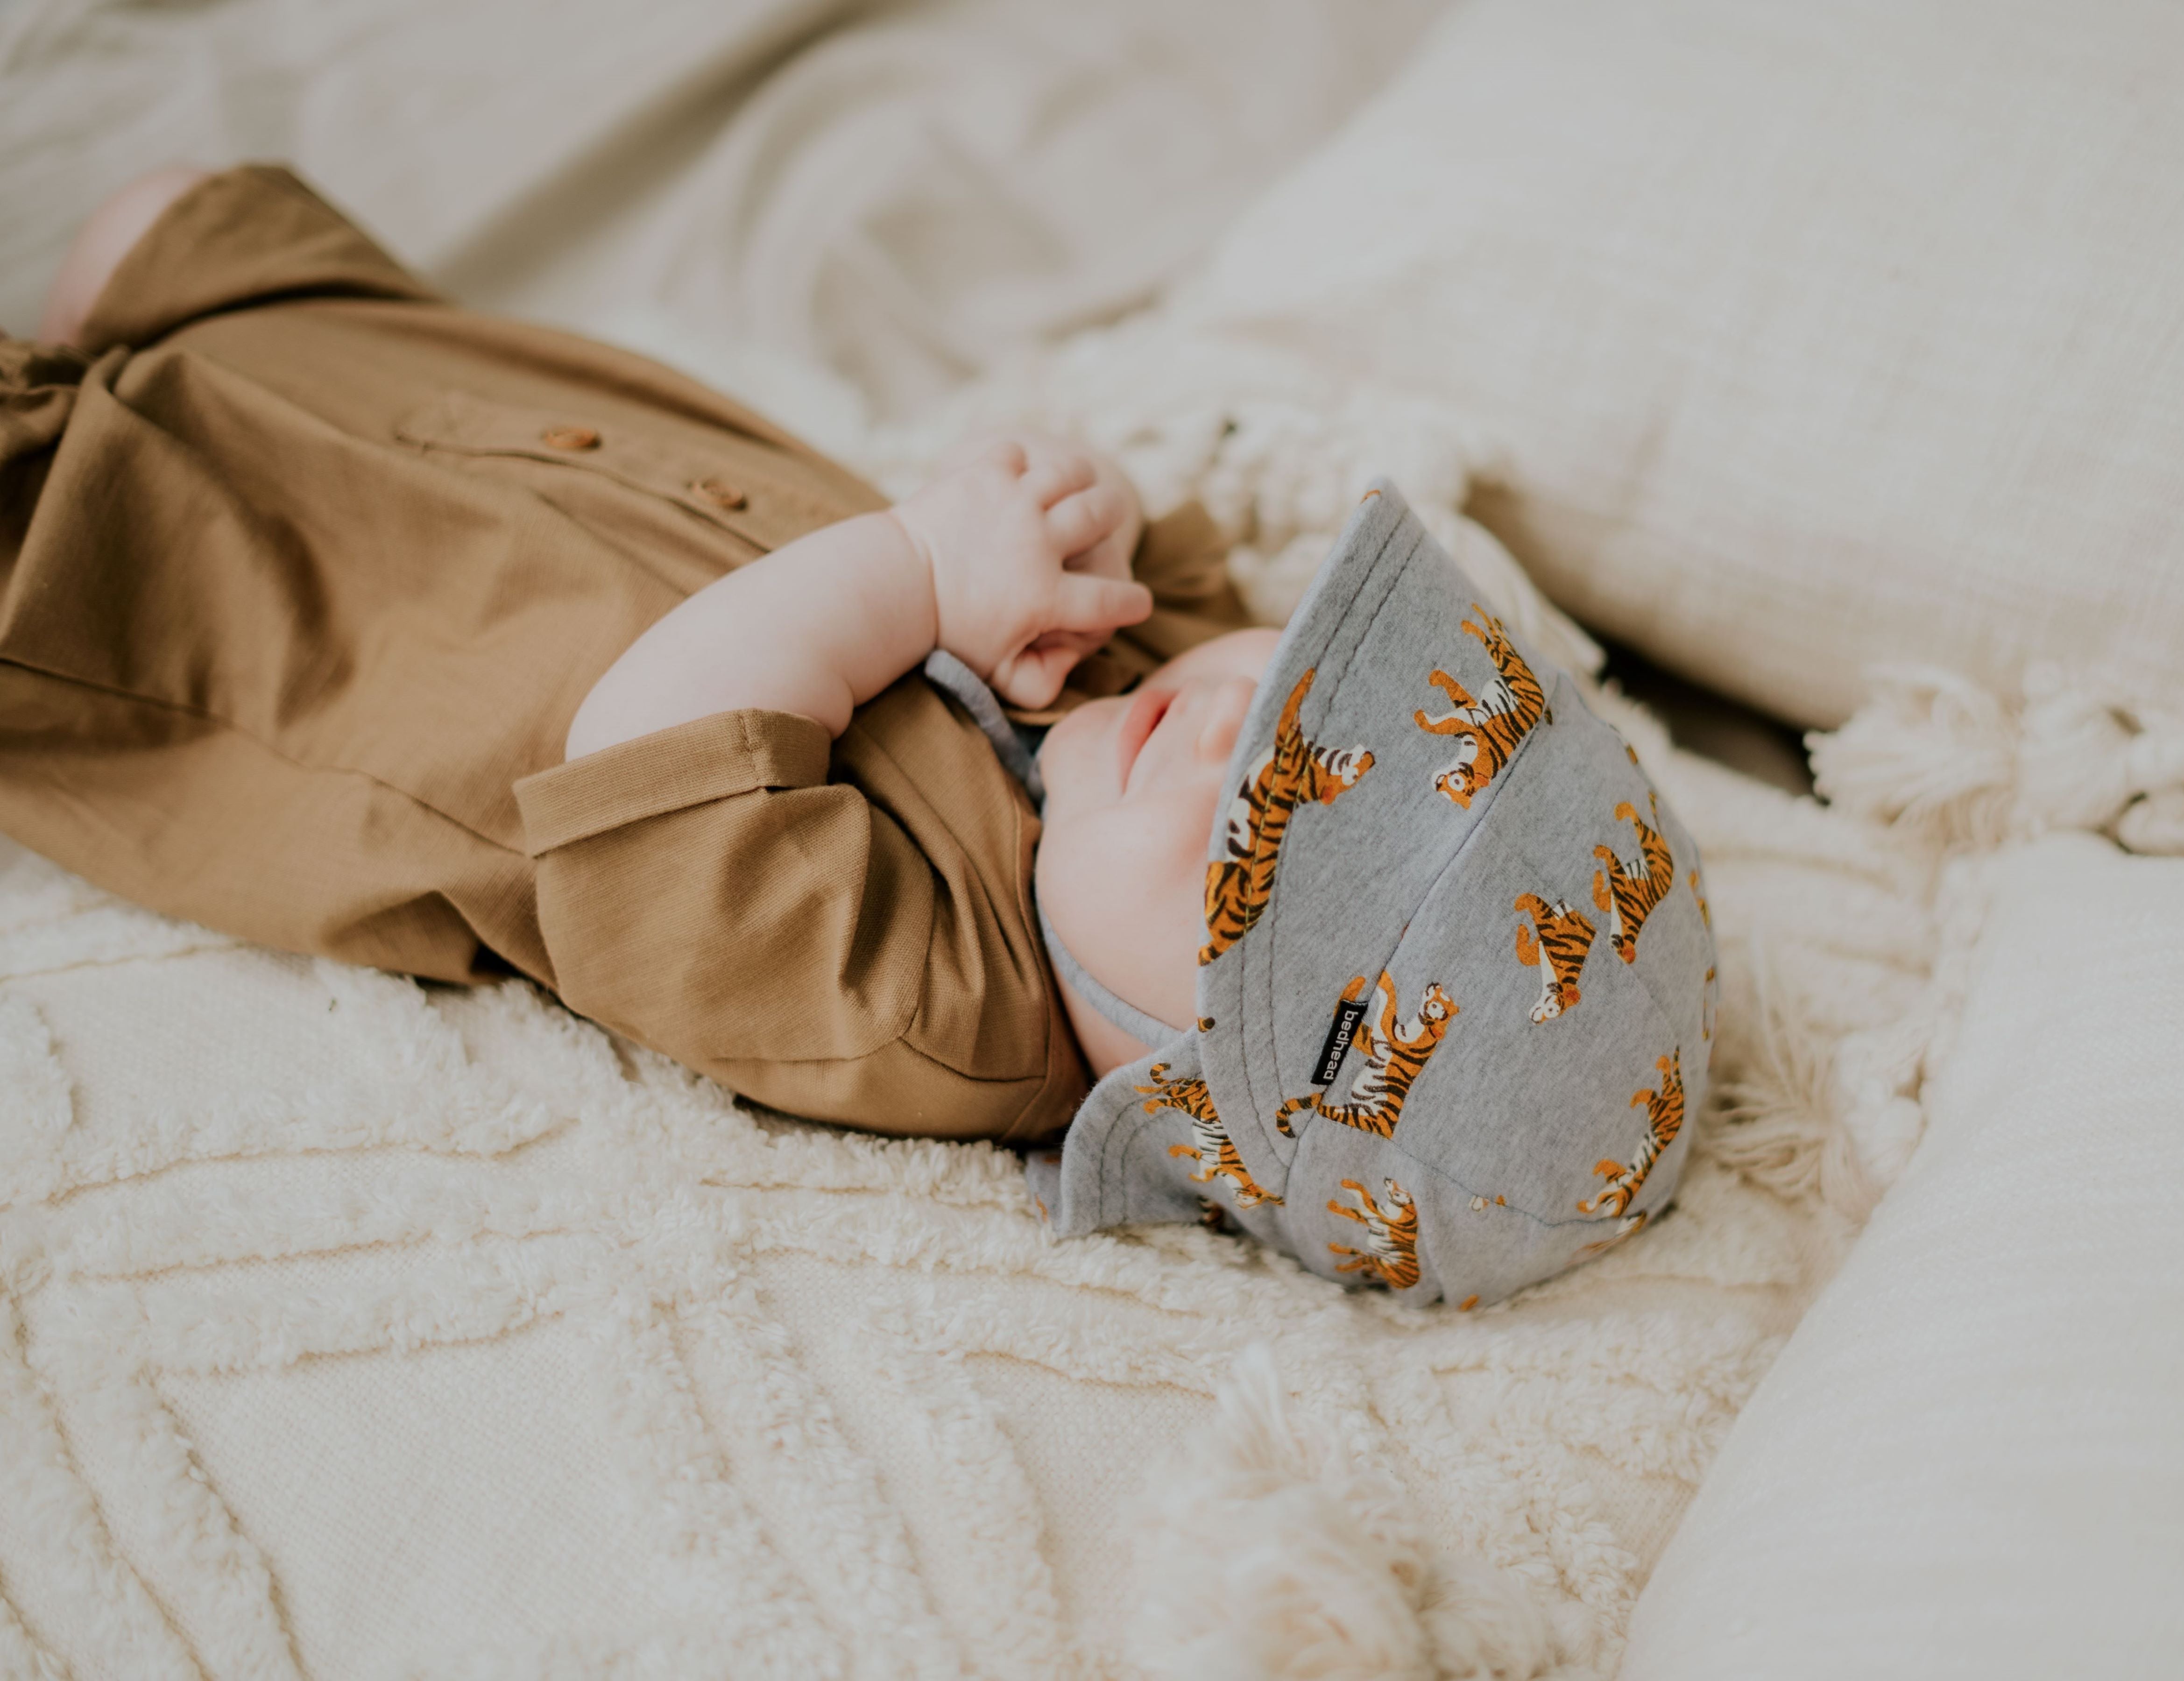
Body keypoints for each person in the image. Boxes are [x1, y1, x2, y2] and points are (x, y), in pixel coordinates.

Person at [5, 165, 1720, 1303]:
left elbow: (637, 767)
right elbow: (1175, 560)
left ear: (1173, 1090)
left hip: (233, 597)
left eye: (1245, 865)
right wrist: (1082, 515)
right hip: (451, 410)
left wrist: (920, 567)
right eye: (1302, 707)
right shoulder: (1154, 724)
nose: (1220, 747)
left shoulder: (946, 1007)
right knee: (187, 225)